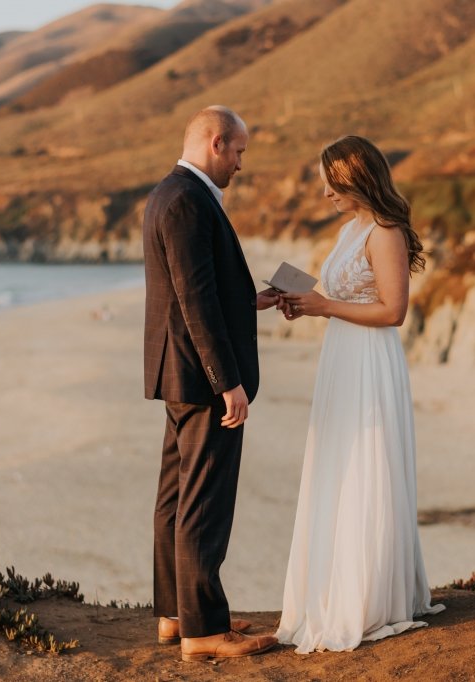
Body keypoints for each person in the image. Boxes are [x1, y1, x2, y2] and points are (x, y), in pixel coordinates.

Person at [275, 135, 445, 653]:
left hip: (371, 359)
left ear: (357, 178)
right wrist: (305, 302)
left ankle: (369, 596)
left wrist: (324, 307)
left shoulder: (386, 232)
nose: (326, 193)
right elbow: (341, 297)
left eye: (333, 182)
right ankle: (333, 588)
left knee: (367, 465)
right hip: (341, 358)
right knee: (337, 463)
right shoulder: (350, 229)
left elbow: (393, 311)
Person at [142, 105, 281, 662]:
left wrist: (253, 300)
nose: (241, 164)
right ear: (216, 142)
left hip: (180, 372)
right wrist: (228, 382)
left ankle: (177, 615)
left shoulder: (170, 194)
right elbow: (194, 299)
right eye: (239, 152)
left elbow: (200, 288)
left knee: (176, 496)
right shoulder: (187, 201)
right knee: (204, 502)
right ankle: (202, 632)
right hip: (202, 378)